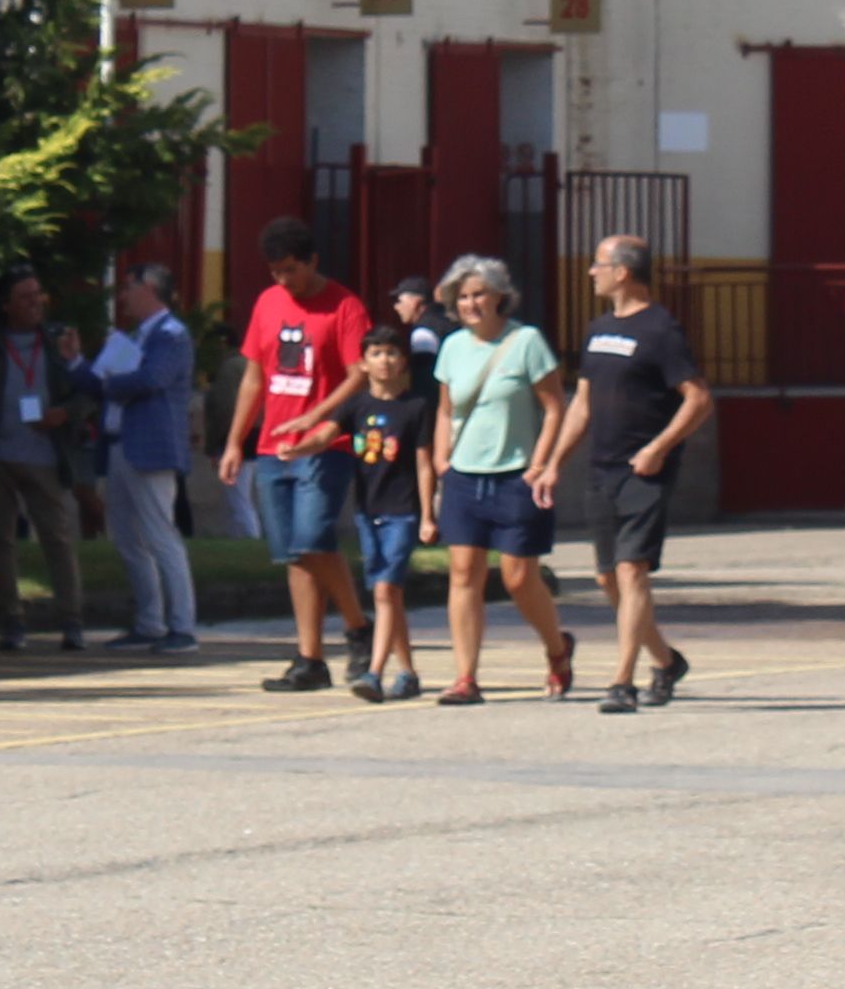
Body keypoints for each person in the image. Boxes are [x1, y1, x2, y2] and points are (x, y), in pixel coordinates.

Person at [217, 217, 377, 694]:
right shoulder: (268, 304)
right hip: (272, 446)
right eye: (275, 272)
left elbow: (359, 374)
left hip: (325, 445)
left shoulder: (344, 306)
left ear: (312, 261)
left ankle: (357, 628)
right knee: (293, 553)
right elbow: (254, 377)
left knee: (313, 538)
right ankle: (310, 657)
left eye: (291, 270)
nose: (283, 281)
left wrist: (317, 417)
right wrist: (234, 441)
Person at [426, 254, 577, 702]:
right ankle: (465, 676)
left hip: (516, 476)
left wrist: (541, 463)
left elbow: (554, 407)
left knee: (516, 577)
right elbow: (445, 408)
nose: (471, 303)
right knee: (463, 572)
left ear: (499, 297)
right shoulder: (452, 346)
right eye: (464, 296)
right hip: (464, 475)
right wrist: (440, 458)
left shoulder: (527, 342)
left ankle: (556, 650)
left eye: (479, 294)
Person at [572, 232, 711, 713]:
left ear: (623, 271)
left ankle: (622, 682)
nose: (592, 271)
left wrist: (659, 448)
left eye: (599, 264)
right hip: (601, 469)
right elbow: (583, 403)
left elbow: (698, 399)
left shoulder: (660, 330)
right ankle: (667, 661)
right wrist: (548, 463)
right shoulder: (596, 330)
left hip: (644, 472)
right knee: (608, 579)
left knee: (632, 572)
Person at [302, 320, 441, 699]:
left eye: (391, 353)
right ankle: (409, 673)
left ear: (403, 361)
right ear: (363, 362)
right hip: (368, 510)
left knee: (384, 591)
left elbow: (425, 463)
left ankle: (375, 673)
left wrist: (428, 515)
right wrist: (298, 448)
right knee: (390, 596)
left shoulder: (416, 407)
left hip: (403, 510)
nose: (384, 361)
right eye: (376, 354)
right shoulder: (357, 404)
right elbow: (329, 433)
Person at [0, 267, 102, 654]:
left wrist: (66, 414)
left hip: (45, 455)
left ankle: (72, 620)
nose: (35, 303)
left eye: (38, 294)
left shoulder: (58, 340)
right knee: (1, 538)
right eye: (25, 297)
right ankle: (12, 619)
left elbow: (89, 390)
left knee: (58, 538)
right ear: (6, 305)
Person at [92, 265, 202, 657]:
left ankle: (183, 627)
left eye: (130, 286)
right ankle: (150, 622)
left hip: (152, 448)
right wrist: (78, 366)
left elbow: (151, 379)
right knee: (127, 538)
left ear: (150, 288)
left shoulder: (172, 334)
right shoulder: (138, 336)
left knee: (161, 535)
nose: (123, 294)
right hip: (122, 444)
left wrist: (106, 382)